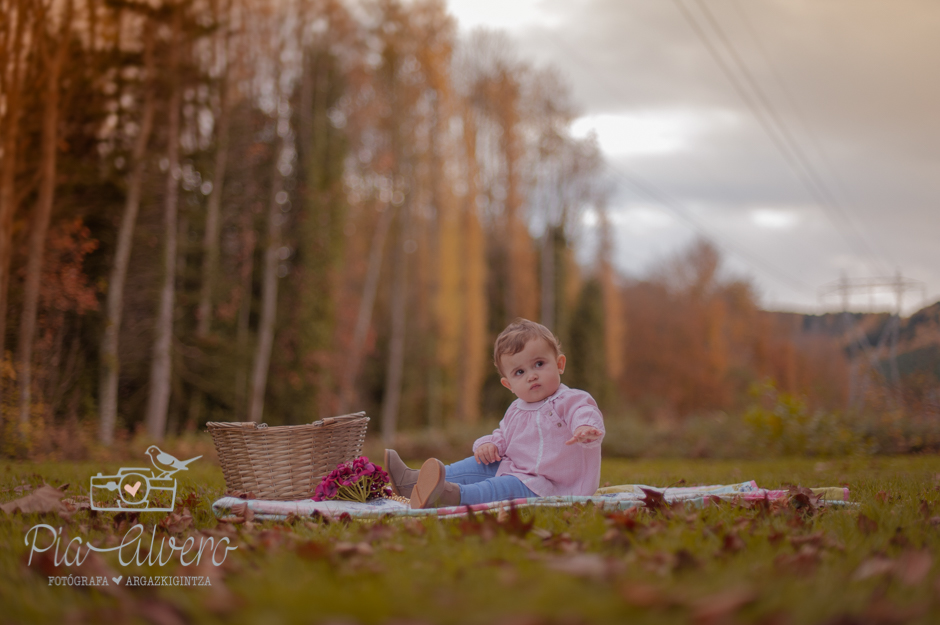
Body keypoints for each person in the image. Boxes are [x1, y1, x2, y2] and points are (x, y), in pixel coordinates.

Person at [383, 318, 605, 509]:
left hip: (550, 484)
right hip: (516, 468)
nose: (532, 376)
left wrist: (584, 427)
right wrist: (490, 444)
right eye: (520, 372)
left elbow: (582, 411)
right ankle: (411, 481)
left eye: (539, 364)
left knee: (496, 488)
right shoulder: (516, 408)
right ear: (508, 384)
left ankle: (449, 496)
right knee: (478, 464)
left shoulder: (569, 400)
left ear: (559, 364)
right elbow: (503, 435)